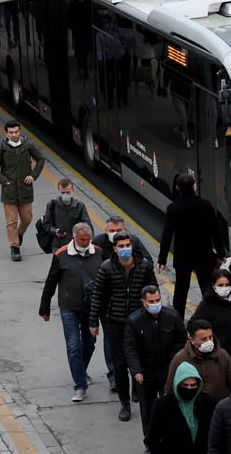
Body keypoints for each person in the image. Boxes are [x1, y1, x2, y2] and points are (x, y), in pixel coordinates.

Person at [88, 232, 158, 421]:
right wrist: (93, 322)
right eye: (121, 246)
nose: (125, 248)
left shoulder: (143, 266)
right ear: (115, 249)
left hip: (139, 322)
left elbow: (153, 290)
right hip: (115, 323)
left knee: (141, 360)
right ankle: (124, 403)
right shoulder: (106, 268)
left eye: (128, 245)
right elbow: (98, 296)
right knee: (119, 365)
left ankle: (138, 390)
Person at [39, 222, 103, 401]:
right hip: (69, 308)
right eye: (82, 239)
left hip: (91, 308)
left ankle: (80, 370)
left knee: (89, 343)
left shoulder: (98, 252)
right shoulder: (61, 255)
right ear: (74, 237)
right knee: (73, 347)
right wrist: (44, 307)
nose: (85, 242)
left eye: (88, 239)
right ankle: (80, 385)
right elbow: (51, 282)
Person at [126, 285, 187, 454]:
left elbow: (182, 340)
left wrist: (175, 362)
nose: (155, 304)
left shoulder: (172, 316)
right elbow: (131, 349)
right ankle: (150, 443)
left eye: (158, 300)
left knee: (171, 407)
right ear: (143, 302)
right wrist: (136, 371)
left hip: (168, 370)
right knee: (149, 410)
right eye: (151, 301)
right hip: (146, 373)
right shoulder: (134, 321)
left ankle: (170, 439)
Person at [158, 173, 229, 316]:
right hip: (204, 255)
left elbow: (167, 234)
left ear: (178, 188)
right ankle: (211, 316)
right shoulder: (206, 205)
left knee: (181, 290)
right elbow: (215, 232)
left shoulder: (173, 208)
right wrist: (221, 254)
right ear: (194, 186)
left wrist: (162, 258)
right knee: (207, 288)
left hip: (183, 256)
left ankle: (178, 319)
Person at [149, 362, 219, 454]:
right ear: (177, 384)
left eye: (193, 385)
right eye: (185, 385)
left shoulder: (209, 403)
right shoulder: (163, 405)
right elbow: (152, 438)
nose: (189, 388)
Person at [0, 121, 45, 261]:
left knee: (27, 218)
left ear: (19, 132)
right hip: (9, 191)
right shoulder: (1, 148)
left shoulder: (28, 145)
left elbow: (41, 159)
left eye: (16, 132)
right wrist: (4, 181)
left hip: (25, 190)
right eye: (11, 132)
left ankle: (19, 234)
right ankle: (14, 247)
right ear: (6, 133)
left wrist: (33, 175)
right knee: (11, 222)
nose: (14, 134)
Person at [166, 319, 231, 403]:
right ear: (192, 340)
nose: (209, 341)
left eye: (210, 337)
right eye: (203, 339)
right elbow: (170, 388)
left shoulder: (222, 355)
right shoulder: (180, 359)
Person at [193, 268, 231, 358]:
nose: (224, 288)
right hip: (219, 354)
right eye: (220, 285)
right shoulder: (207, 304)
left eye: (227, 285)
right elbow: (193, 324)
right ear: (213, 286)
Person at [36, 178, 91, 253]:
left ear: (72, 191)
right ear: (59, 191)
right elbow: (46, 224)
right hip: (58, 245)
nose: (65, 195)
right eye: (62, 192)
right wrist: (55, 231)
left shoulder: (79, 206)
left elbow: (87, 225)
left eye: (68, 192)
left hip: (75, 245)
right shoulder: (52, 205)